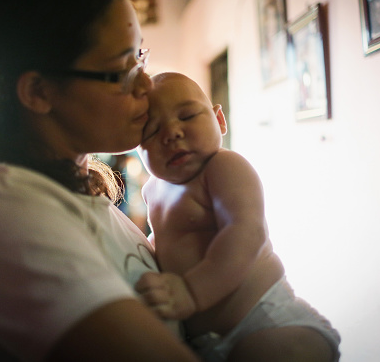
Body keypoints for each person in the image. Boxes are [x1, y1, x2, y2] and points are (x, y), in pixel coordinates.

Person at [0, 0, 200, 361]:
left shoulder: (81, 190)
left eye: (139, 57)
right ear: (38, 92)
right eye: (121, 70)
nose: (145, 85)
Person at [135, 72, 341, 362]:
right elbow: (166, 242)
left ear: (219, 120)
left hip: (267, 322)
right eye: (152, 130)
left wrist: (191, 291)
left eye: (187, 116)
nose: (172, 133)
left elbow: (245, 232)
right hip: (209, 343)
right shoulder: (152, 191)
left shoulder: (223, 166)